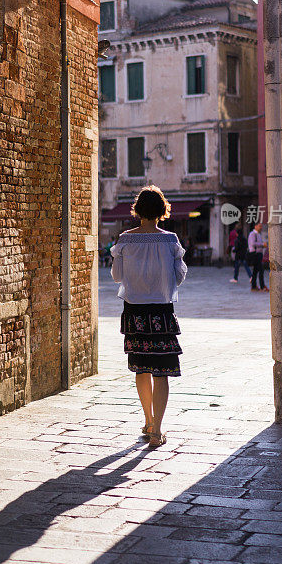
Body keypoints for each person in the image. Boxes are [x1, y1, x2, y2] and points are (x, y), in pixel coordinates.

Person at [110, 186, 187, 448]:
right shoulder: (170, 240)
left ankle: (148, 421)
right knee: (161, 370)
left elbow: (117, 277)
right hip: (162, 312)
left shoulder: (125, 240)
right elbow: (179, 276)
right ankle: (157, 431)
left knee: (142, 367)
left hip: (135, 312)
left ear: (138, 210)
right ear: (161, 211)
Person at [247, 222, 269, 292]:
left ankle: (254, 286)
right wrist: (262, 244)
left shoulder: (258, 234)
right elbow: (252, 243)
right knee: (261, 270)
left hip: (259, 254)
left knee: (255, 271)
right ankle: (262, 286)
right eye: (259, 226)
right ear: (255, 226)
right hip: (255, 254)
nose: (261, 227)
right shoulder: (252, 234)